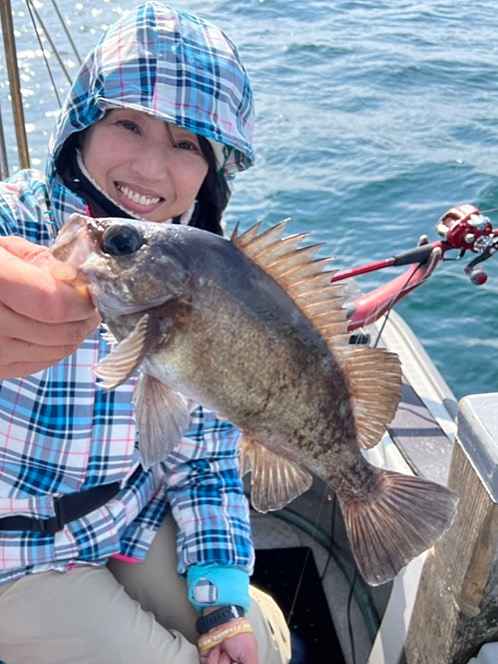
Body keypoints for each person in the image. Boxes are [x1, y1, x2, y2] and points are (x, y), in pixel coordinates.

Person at [0, 3, 291, 663]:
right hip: (13, 557)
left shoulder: (210, 280)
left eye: (188, 144)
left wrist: (220, 596)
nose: (152, 168)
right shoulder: (15, 224)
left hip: (128, 515)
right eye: (128, 123)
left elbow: (206, 457)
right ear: (81, 128)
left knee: (254, 646)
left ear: (212, 171)